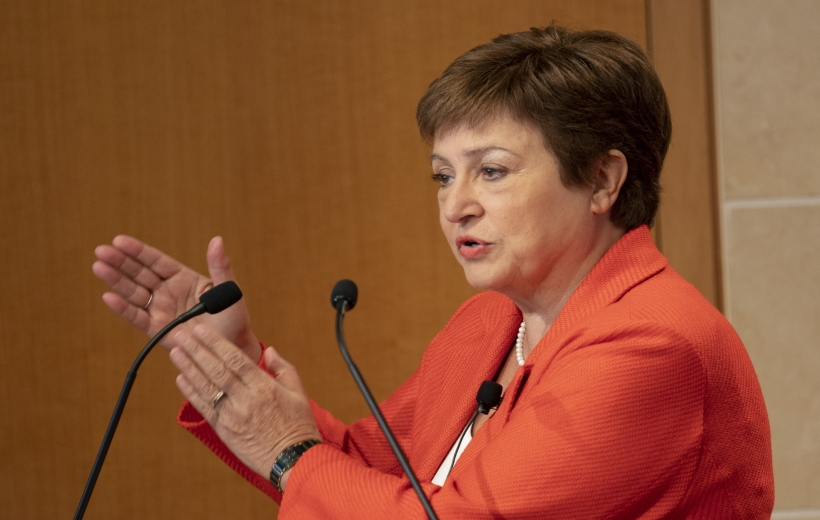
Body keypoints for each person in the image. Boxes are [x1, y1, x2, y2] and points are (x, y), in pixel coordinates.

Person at [92, 25, 774, 519]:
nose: (456, 205)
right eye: (443, 176)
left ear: (602, 179)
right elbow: (374, 473)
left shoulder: (653, 346)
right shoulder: (489, 323)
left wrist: (285, 449)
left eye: (492, 171)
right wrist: (236, 373)